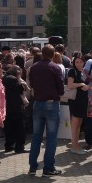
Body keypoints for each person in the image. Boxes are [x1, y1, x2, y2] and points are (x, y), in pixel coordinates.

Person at [28, 44, 64, 176]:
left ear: (42, 54)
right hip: (51, 103)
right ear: (53, 54)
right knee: (51, 137)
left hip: (38, 103)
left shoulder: (34, 67)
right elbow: (61, 88)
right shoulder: (55, 67)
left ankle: (32, 166)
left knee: (36, 136)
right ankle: (48, 167)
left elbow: (31, 84)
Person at [66, 55, 90, 154]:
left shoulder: (83, 72)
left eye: (81, 62)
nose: (79, 63)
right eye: (77, 62)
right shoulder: (72, 71)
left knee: (79, 123)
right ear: (74, 63)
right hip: (76, 100)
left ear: (84, 62)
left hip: (83, 100)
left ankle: (76, 146)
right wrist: (81, 85)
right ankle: (74, 147)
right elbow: (70, 85)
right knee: (75, 124)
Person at [2, 65, 29, 153]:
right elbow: (20, 91)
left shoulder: (4, 78)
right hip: (16, 106)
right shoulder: (14, 79)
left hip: (7, 106)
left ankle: (8, 146)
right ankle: (19, 147)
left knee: (8, 128)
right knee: (20, 127)